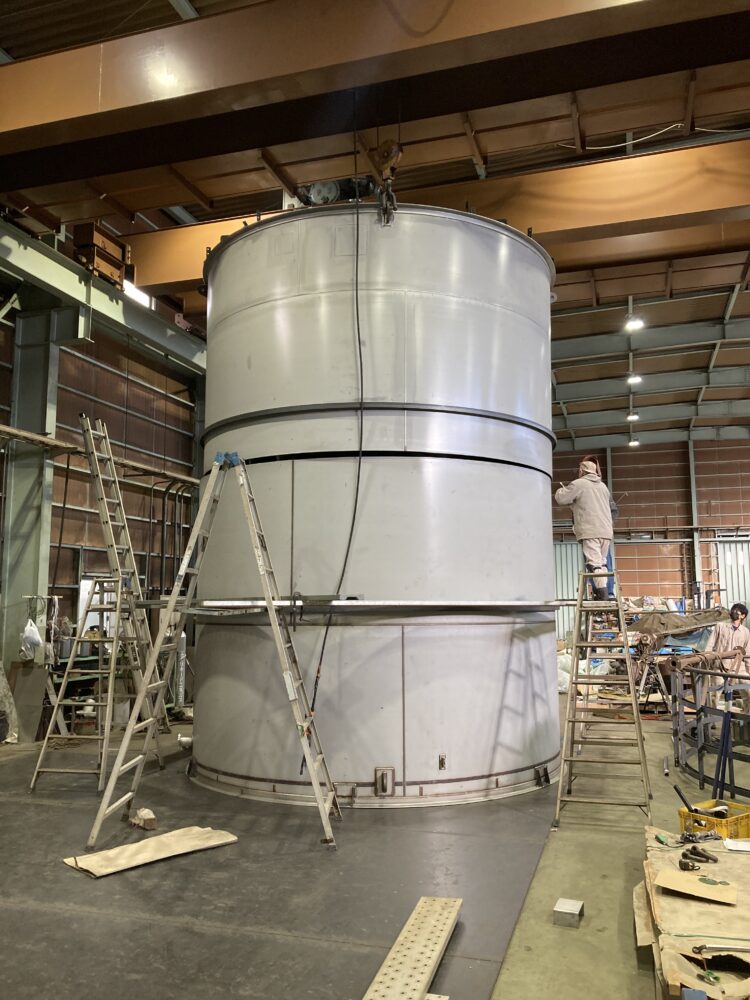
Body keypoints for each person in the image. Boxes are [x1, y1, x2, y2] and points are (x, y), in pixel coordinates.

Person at [554, 456, 617, 602]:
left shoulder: (579, 484)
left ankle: (603, 597)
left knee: (594, 564)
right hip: (606, 532)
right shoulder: (603, 487)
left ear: (582, 470)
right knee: (602, 563)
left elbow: (561, 498)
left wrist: (561, 490)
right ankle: (608, 594)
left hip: (590, 531)